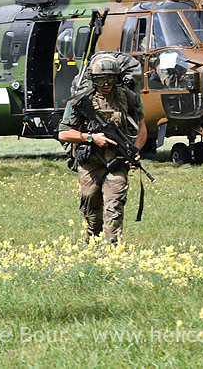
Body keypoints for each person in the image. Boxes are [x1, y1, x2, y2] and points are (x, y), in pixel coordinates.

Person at [57, 53, 147, 244]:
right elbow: (63, 134)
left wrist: (135, 151)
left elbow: (142, 128)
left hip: (117, 163)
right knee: (91, 208)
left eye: (111, 79)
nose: (106, 84)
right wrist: (91, 137)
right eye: (101, 79)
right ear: (92, 78)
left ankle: (113, 248)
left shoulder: (128, 97)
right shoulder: (80, 101)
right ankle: (92, 242)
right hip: (91, 164)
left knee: (114, 206)